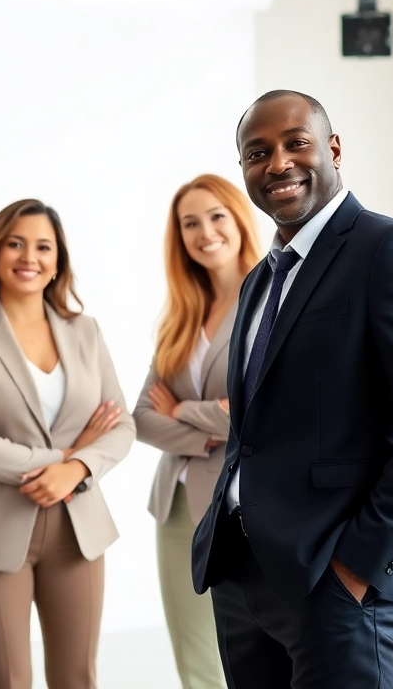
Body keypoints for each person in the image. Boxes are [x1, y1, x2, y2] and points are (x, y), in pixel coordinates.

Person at [190, 90, 393, 688]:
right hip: (242, 574)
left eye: (296, 143)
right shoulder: (259, 281)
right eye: (256, 153)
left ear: (333, 148)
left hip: (335, 580)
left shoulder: (390, 249)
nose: (277, 164)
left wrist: (357, 565)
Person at [0, 199, 135, 689]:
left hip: (80, 532)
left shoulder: (84, 331)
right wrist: (68, 458)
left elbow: (122, 427)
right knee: (6, 680)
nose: (29, 256)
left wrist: (76, 472)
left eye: (43, 246)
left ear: (57, 261)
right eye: (15, 243)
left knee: (77, 679)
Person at [133, 174, 261, 689]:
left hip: (242, 506)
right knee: (194, 657)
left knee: (252, 651)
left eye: (215, 216)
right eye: (190, 223)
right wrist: (211, 423)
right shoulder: (180, 317)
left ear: (237, 219)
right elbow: (142, 417)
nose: (205, 232)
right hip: (177, 506)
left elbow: (256, 414)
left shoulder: (271, 298)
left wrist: (182, 407)